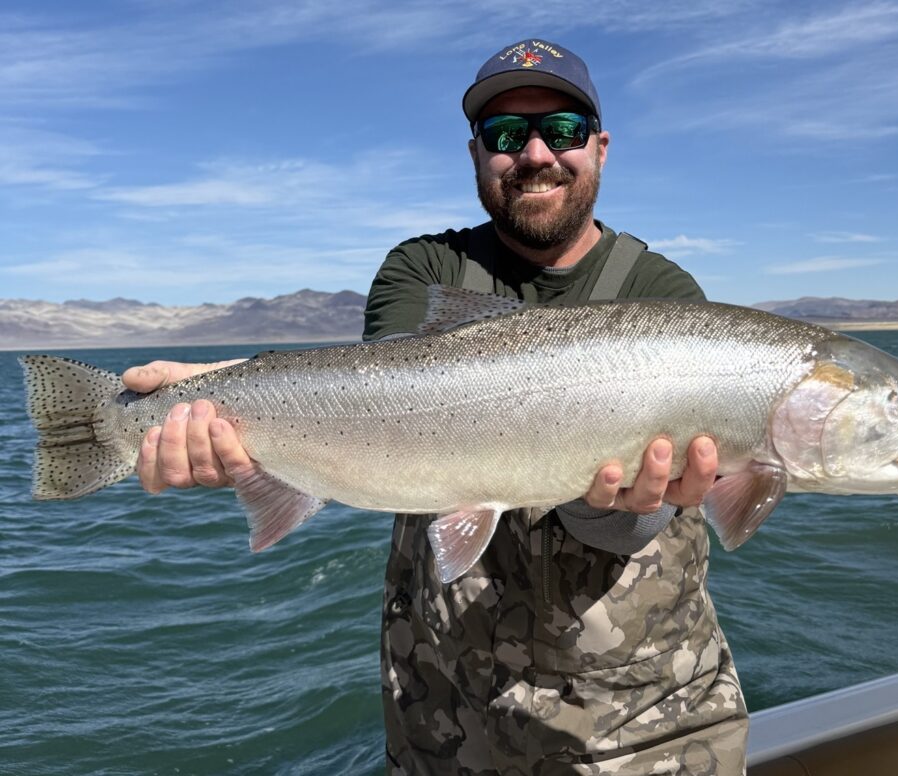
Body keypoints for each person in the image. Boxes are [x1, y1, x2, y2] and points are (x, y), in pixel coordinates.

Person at [123, 39, 748, 775]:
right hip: (442, 708)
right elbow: (388, 400)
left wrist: (614, 506)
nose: (536, 153)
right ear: (477, 153)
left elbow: (649, 515)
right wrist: (232, 401)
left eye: (564, 131)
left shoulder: (666, 296)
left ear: (601, 148)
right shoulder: (422, 269)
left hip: (638, 719)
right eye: (506, 136)